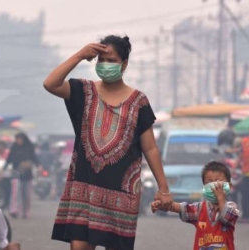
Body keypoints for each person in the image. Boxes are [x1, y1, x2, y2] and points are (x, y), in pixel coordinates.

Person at [43, 35, 172, 250]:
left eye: (111, 60)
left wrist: (164, 189)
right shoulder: (82, 91)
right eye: (100, 60)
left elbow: (150, 148)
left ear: (124, 63)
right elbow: (50, 83)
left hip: (121, 195)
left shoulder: (139, 101)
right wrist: (79, 55)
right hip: (84, 192)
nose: (105, 65)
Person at [151, 161, 240, 250]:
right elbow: (181, 208)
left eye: (218, 181)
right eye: (209, 182)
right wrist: (163, 204)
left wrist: (221, 197)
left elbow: (226, 216)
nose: (214, 186)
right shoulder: (200, 209)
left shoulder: (231, 207)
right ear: (204, 188)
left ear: (229, 186)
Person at [2, 133, 39, 219]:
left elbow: (34, 158)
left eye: (20, 139)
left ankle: (26, 212)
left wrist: (38, 165)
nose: (18, 140)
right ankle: (14, 210)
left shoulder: (29, 147)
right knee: (15, 192)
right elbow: (9, 158)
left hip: (27, 173)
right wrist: (4, 168)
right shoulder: (14, 147)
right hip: (16, 172)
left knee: (26, 194)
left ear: (24, 139)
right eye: (17, 139)